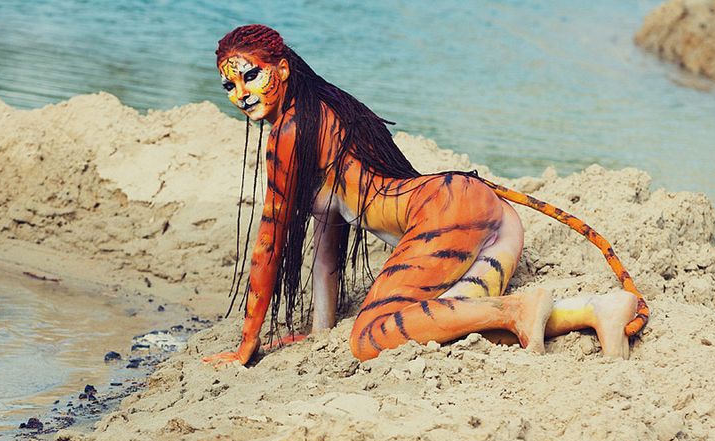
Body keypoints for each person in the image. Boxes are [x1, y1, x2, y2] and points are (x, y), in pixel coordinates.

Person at [204, 24, 647, 366]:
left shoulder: (290, 131)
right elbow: (328, 235)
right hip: (490, 216)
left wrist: (247, 343)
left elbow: (269, 242)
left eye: (251, 77)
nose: (241, 94)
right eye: (229, 86)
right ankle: (596, 310)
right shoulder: (326, 107)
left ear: (282, 69)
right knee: (446, 320)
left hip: (447, 210)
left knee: (368, 337)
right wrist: (321, 330)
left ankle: (518, 309)